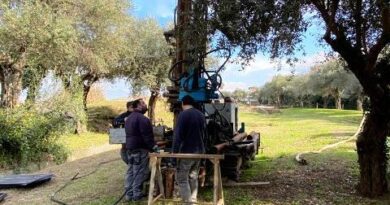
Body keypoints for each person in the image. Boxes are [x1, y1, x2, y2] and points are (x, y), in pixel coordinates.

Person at [172, 95, 206, 204]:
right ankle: (193, 199)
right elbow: (205, 136)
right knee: (193, 176)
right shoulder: (201, 115)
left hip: (186, 152)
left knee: (182, 179)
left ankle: (188, 202)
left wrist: (174, 155)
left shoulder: (183, 115)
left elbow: (177, 137)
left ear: (183, 103)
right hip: (199, 152)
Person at [124, 99, 157, 201]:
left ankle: (129, 195)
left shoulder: (129, 118)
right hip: (140, 149)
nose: (146, 105)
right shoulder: (142, 119)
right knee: (139, 172)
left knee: (130, 171)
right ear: (138, 106)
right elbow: (147, 136)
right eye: (143, 104)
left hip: (130, 148)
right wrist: (154, 147)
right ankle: (136, 195)